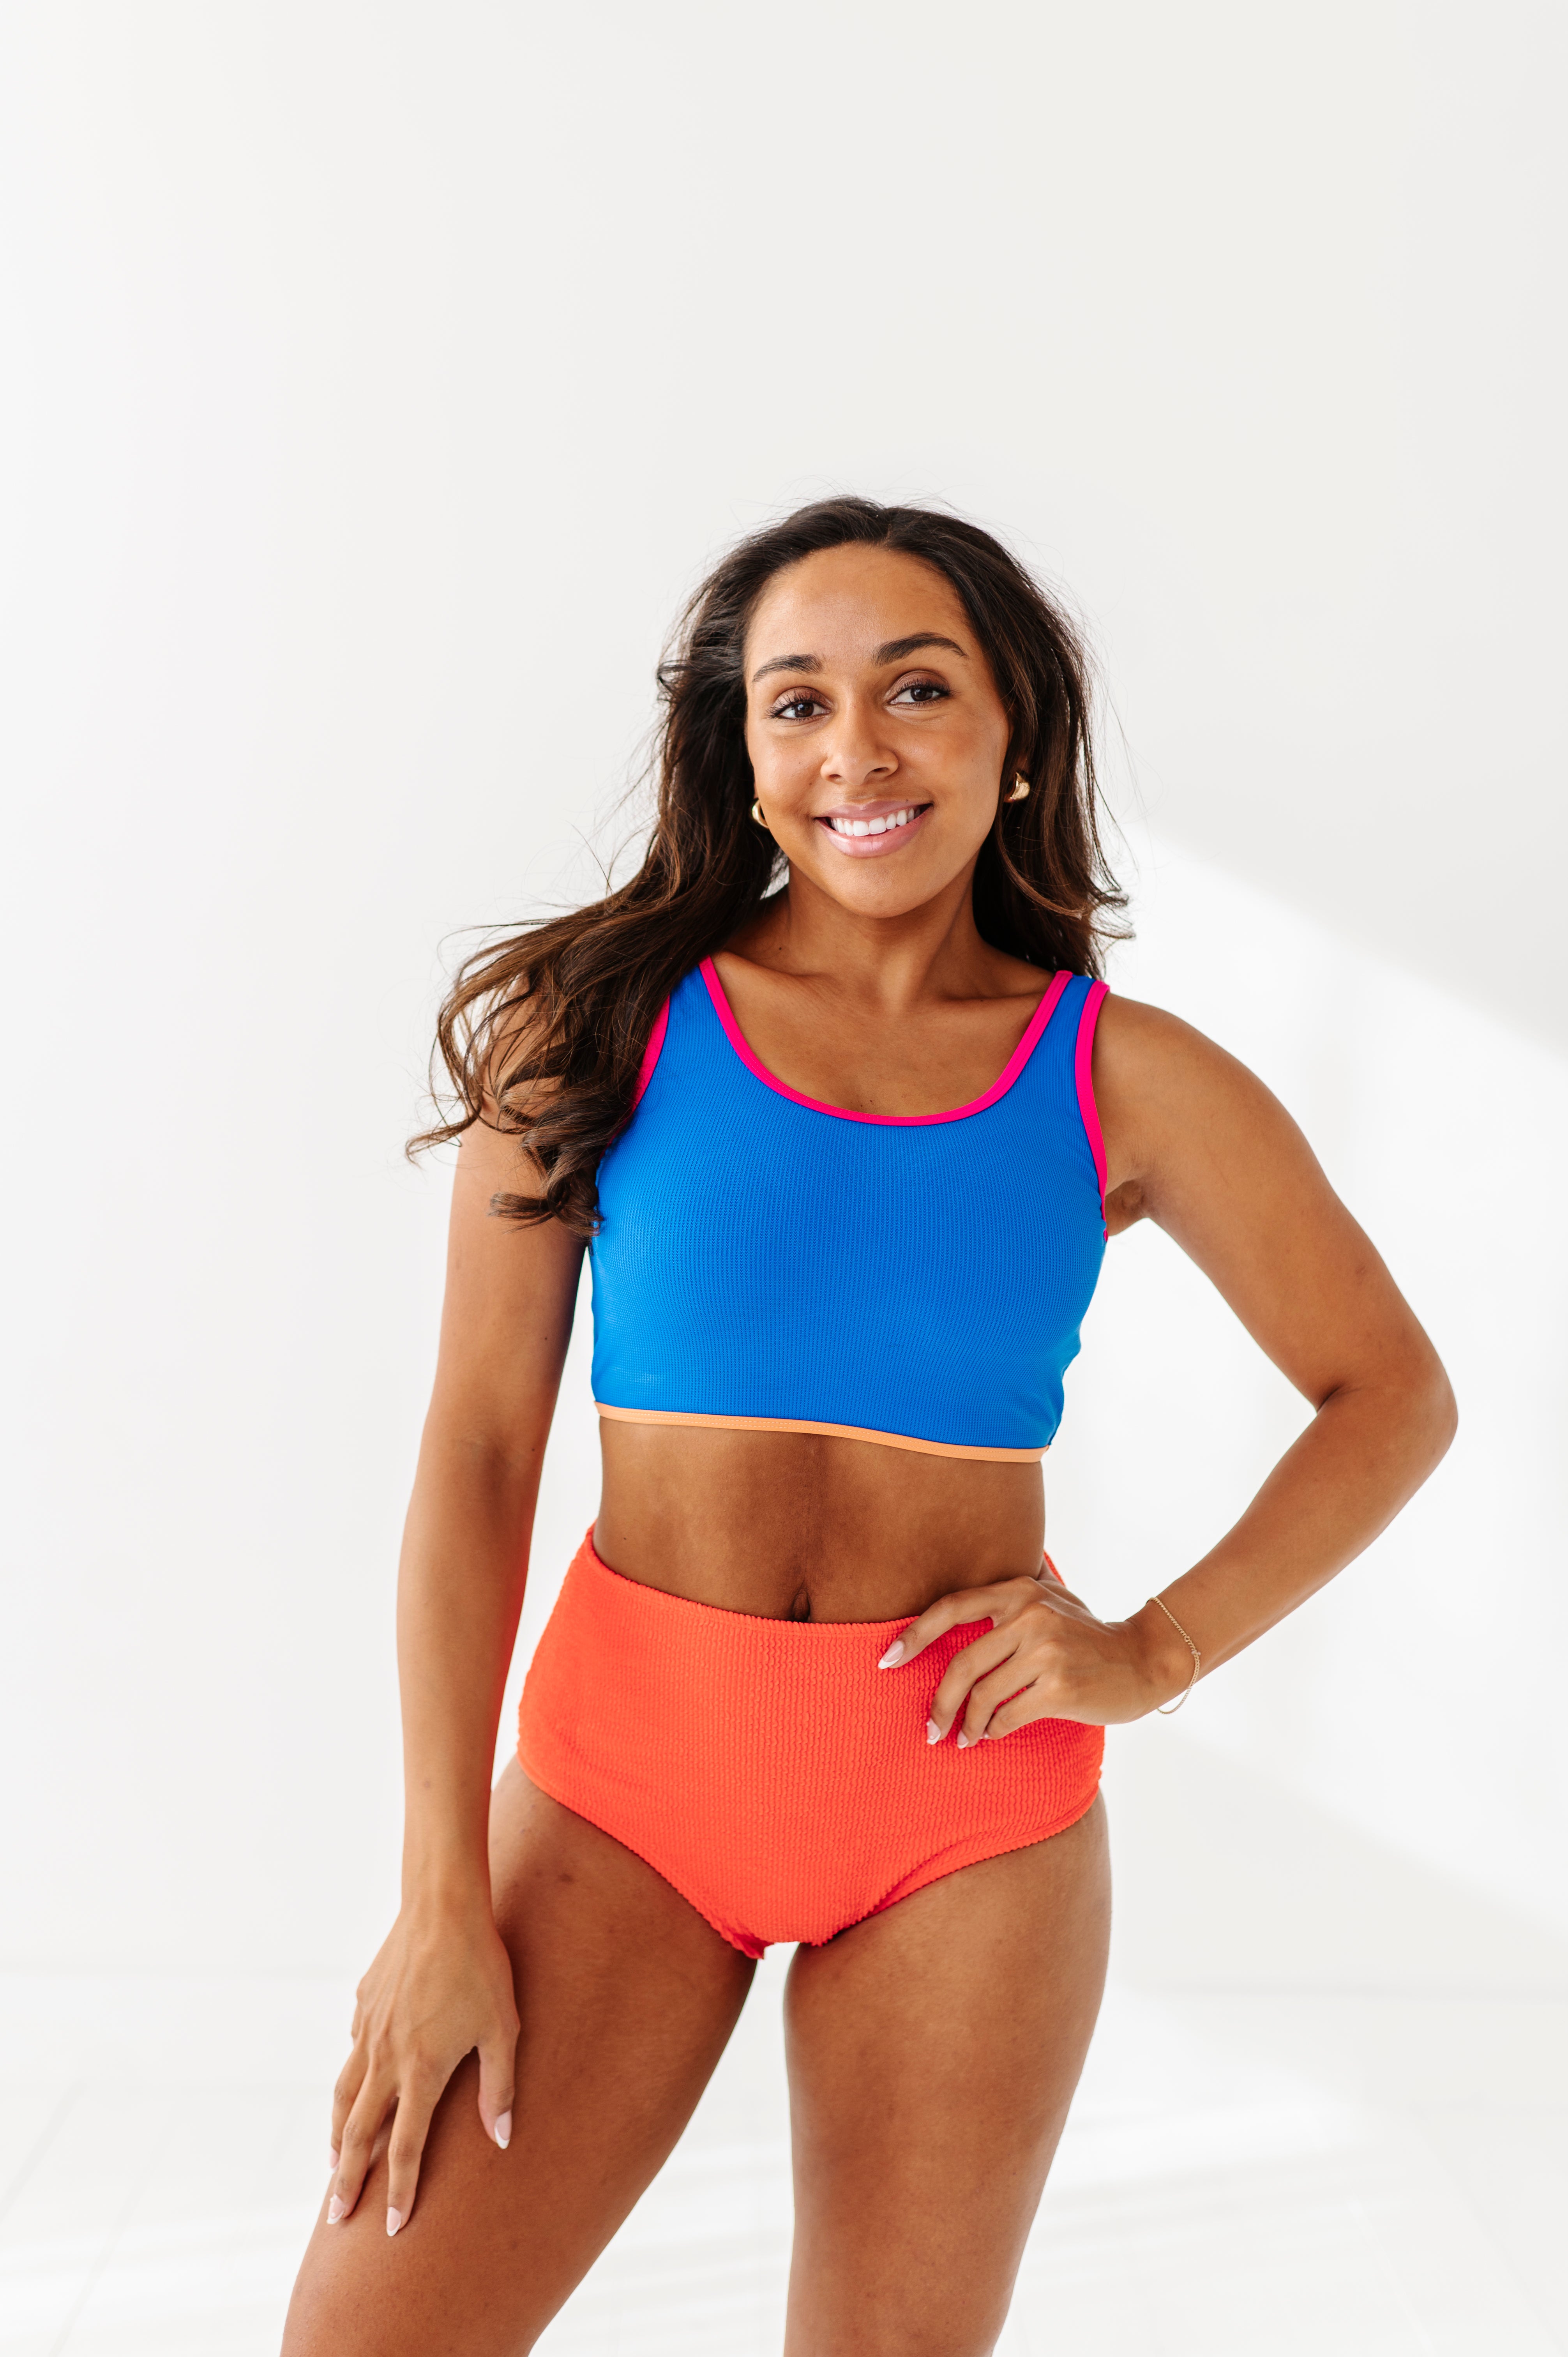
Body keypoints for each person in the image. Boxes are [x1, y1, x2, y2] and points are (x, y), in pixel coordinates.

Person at [281, 498, 1455, 2357]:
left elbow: (1389, 1395)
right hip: (619, 1791)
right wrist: (437, 1899)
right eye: (797, 703)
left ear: (1015, 733)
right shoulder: (593, 1030)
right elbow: (479, 1454)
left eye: (915, 689)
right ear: (744, 756)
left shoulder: (1126, 1077)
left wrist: (1152, 1651)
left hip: (963, 1815)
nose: (857, 751)